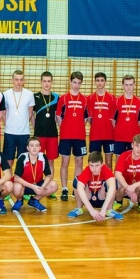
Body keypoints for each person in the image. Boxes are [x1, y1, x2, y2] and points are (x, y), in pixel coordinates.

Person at [56, 71, 88, 202]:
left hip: (80, 136)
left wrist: (78, 127)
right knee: (65, 162)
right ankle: (64, 189)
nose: (76, 85)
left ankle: (77, 187)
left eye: (79, 83)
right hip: (65, 136)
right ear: (70, 82)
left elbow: (86, 118)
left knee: (79, 162)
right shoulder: (63, 98)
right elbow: (58, 116)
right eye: (74, 82)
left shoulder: (84, 99)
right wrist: (64, 128)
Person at [67, 151, 123, 221]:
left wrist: (103, 210)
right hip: (89, 198)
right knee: (77, 182)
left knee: (113, 183)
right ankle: (79, 208)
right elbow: (80, 188)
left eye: (97, 165)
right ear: (88, 164)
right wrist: (91, 210)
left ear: (102, 164)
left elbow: (112, 187)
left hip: (102, 198)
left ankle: (109, 210)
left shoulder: (105, 170)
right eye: (91, 165)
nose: (94, 169)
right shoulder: (87, 171)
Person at [11, 137, 58, 213]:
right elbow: (16, 178)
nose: (34, 148)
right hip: (24, 185)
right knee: (16, 187)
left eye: (37, 146)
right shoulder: (23, 158)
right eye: (32, 145)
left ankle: (34, 200)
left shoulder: (43, 157)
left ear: (40, 148)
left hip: (37, 184)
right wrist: (33, 187)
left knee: (53, 185)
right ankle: (19, 200)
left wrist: (42, 187)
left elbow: (48, 175)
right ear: (28, 148)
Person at [32, 71, 59, 199]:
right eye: (44, 81)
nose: (46, 83)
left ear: (52, 82)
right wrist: (36, 128)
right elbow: (32, 116)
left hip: (52, 134)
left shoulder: (56, 97)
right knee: (37, 162)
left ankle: (49, 189)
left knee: (50, 162)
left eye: (49, 81)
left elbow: (57, 117)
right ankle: (35, 187)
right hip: (39, 135)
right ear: (41, 82)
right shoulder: (35, 97)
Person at [114, 134, 140, 214]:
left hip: (137, 186)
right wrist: (128, 188)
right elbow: (117, 174)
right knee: (117, 183)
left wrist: (134, 186)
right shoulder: (124, 155)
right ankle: (118, 202)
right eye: (137, 146)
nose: (139, 149)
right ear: (132, 145)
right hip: (124, 186)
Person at [3, 70, 35, 168]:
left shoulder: (29, 94)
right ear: (12, 80)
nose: (19, 82)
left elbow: (30, 113)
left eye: (21, 80)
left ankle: (20, 178)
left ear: (24, 81)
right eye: (16, 79)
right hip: (9, 132)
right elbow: (3, 113)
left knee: (23, 160)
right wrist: (8, 125)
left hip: (24, 133)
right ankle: (9, 178)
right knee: (9, 160)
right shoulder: (6, 94)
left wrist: (22, 124)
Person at [87, 72, 117, 170]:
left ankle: (109, 180)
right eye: (98, 80)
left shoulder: (112, 98)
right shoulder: (90, 98)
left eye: (102, 80)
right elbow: (89, 119)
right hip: (95, 136)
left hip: (109, 135)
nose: (100, 83)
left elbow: (114, 119)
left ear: (105, 82)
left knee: (108, 162)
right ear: (94, 82)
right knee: (94, 161)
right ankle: (95, 179)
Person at [113, 75, 140, 161]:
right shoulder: (116, 101)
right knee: (119, 161)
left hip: (134, 138)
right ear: (122, 85)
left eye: (131, 84)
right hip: (119, 137)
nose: (128, 87)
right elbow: (113, 121)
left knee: (133, 161)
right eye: (126, 85)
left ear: (134, 85)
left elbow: (139, 122)